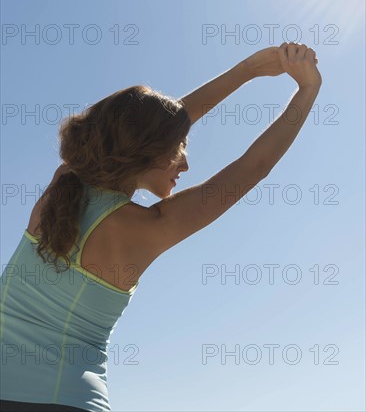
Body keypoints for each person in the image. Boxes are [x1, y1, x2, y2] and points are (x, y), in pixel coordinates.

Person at [0, 42, 322, 411]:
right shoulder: (147, 227)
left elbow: (153, 123)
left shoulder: (61, 186)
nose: (185, 162)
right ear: (148, 148)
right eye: (180, 145)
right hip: (69, 400)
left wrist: (249, 69)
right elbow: (254, 166)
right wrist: (307, 89)